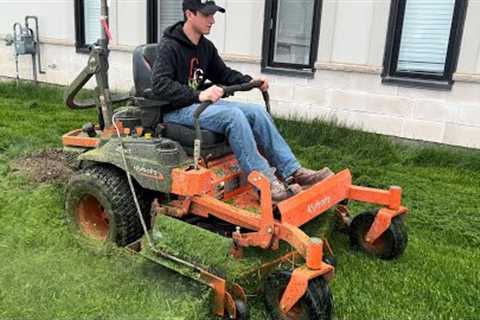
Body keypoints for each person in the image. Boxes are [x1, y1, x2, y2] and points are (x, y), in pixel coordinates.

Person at [152, 0, 333, 201]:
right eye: (207, 15)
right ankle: (263, 182)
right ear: (189, 14)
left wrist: (250, 81)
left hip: (198, 105)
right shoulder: (169, 47)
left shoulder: (205, 47)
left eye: (213, 15)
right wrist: (199, 95)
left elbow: (223, 73)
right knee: (233, 115)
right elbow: (160, 85)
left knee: (256, 112)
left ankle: (293, 171)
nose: (212, 20)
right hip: (176, 110)